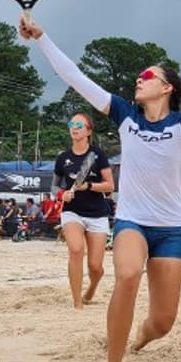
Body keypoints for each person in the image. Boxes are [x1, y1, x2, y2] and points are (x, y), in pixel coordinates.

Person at [22, 15, 181, 362]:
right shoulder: (125, 114)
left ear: (166, 88)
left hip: (171, 228)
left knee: (162, 322)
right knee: (127, 274)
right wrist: (41, 37)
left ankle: (141, 340)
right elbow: (76, 78)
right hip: (133, 220)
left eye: (147, 76)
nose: (139, 80)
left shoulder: (180, 123)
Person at [53, 112, 115, 309]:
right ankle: (77, 302)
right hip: (72, 211)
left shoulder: (98, 155)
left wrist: (87, 186)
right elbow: (54, 187)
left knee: (95, 267)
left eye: (79, 124)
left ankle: (92, 287)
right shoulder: (63, 158)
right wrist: (62, 194)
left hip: (97, 212)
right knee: (76, 249)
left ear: (89, 131)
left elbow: (110, 186)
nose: (74, 127)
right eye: (72, 123)